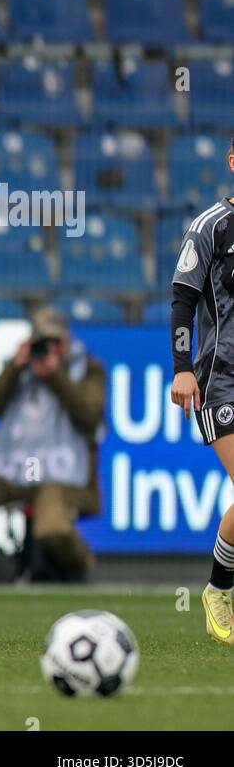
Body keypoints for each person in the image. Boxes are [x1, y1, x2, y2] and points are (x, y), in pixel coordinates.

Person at [0, 307, 105, 581]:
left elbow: (89, 416)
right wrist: (14, 369)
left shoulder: (88, 369)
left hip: (61, 474)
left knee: (52, 530)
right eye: (41, 342)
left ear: (66, 343)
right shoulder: (19, 368)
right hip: (14, 468)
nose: (47, 349)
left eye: (55, 342)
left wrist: (55, 375)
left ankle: (81, 563)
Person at [168, 183, 234, 643]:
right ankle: (219, 589)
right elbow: (183, 299)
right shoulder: (210, 226)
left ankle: (219, 586)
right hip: (221, 379)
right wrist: (182, 369)